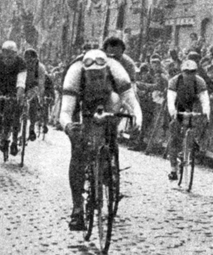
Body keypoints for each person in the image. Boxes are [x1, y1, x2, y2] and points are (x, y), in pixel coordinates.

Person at [60, 49, 142, 231]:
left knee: (110, 123)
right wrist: (69, 127)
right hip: (82, 102)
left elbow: (131, 100)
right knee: (78, 149)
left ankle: (109, 166)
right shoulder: (75, 72)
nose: (96, 79)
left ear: (106, 71)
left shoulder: (117, 71)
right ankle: (77, 208)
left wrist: (137, 119)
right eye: (92, 76)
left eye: (100, 76)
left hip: (109, 99)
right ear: (85, 72)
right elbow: (65, 111)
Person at [166, 60, 211, 181]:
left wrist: (206, 112)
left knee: (203, 121)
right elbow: (171, 99)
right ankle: (173, 169)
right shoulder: (175, 81)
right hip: (178, 106)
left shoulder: (199, 81)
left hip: (193, 106)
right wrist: (173, 111)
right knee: (174, 136)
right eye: (186, 72)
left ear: (195, 72)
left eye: (192, 72)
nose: (189, 75)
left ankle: (194, 141)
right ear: (182, 72)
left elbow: (204, 99)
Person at [20, 49, 47, 142]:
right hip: (21, 85)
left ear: (36, 60)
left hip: (33, 86)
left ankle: (31, 128)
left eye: (32, 61)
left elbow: (41, 84)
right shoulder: (20, 65)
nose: (29, 63)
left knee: (33, 102)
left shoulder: (40, 68)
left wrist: (40, 96)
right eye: (27, 60)